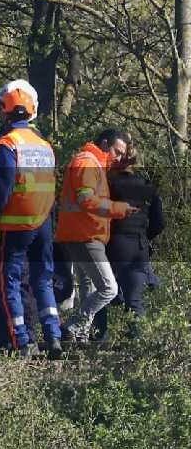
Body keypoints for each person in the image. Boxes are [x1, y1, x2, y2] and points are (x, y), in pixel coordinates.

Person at [0, 80, 62, 358]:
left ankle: (22, 341)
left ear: (5, 111)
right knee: (43, 279)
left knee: (11, 281)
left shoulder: (7, 143)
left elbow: (4, 185)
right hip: (43, 223)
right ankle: (54, 336)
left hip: (16, 224)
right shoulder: (44, 145)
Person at [55, 129, 139, 343]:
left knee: (89, 287)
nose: (118, 157)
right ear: (104, 143)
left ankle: (79, 336)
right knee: (109, 288)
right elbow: (87, 200)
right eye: (116, 151)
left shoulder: (94, 163)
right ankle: (73, 327)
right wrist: (119, 208)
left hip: (83, 233)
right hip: (85, 235)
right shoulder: (88, 163)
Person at [91, 136, 164, 340]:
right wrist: (144, 235)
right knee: (135, 300)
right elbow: (159, 224)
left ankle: (100, 337)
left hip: (113, 244)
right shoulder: (149, 188)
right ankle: (135, 343)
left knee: (103, 290)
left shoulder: (108, 185)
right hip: (139, 247)